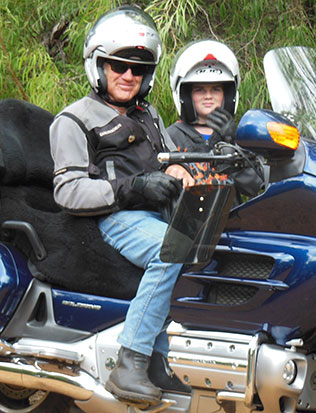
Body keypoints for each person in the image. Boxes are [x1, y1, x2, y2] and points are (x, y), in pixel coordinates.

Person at [48, 6, 192, 405]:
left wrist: (180, 170)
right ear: (99, 65)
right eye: (118, 65)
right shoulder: (74, 120)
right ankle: (131, 362)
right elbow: (69, 191)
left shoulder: (149, 116)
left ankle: (158, 364)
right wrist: (133, 189)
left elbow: (165, 162)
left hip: (154, 214)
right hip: (114, 218)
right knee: (172, 250)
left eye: (139, 69)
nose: (129, 75)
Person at [167, 40, 264, 198]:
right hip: (186, 220)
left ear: (227, 95)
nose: (208, 96)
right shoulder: (170, 137)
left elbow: (256, 186)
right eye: (199, 89)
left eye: (216, 89)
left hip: (233, 219)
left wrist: (233, 143)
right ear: (186, 95)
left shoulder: (239, 136)